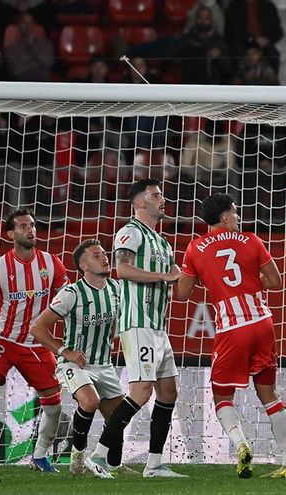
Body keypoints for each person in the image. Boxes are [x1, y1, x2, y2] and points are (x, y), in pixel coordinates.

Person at [175, 193, 286, 479]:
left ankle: (241, 444)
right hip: (263, 322)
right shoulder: (252, 240)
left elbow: (182, 294)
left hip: (232, 328)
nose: (239, 217)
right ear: (225, 217)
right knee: (269, 393)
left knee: (222, 396)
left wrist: (184, 274)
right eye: (236, 212)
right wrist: (252, 282)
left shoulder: (194, 249)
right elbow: (276, 282)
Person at [87, 178, 186, 478]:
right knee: (142, 392)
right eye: (155, 195)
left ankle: (154, 465)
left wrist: (181, 276)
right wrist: (163, 277)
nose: (162, 199)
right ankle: (99, 456)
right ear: (139, 203)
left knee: (168, 392)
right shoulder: (130, 232)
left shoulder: (163, 241)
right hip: (138, 322)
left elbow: (175, 284)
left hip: (158, 326)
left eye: (162, 194)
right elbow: (123, 269)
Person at [0, 209, 68, 473]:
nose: (30, 230)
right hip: (3, 339)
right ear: (10, 234)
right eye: (24, 226)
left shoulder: (52, 264)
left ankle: (39, 457)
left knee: (54, 404)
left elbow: (68, 300)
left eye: (33, 226)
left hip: (37, 345)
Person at [29, 239, 124, 478]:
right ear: (84, 266)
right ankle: (77, 458)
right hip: (74, 363)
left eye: (104, 253)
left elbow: (113, 323)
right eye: (96, 256)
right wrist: (64, 352)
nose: (104, 258)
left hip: (104, 364)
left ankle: (113, 465)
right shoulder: (71, 293)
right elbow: (38, 328)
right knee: (90, 402)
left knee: (118, 418)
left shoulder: (116, 289)